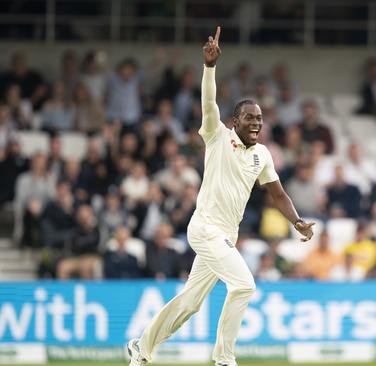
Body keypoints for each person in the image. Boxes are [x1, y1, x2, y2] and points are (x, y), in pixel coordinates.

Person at [127, 26, 314, 366]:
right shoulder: (217, 136)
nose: (256, 123)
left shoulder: (263, 155)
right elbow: (208, 102)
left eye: (259, 119)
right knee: (244, 285)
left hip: (226, 235)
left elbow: (278, 192)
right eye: (249, 118)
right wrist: (209, 68)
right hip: (205, 228)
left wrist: (297, 221)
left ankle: (142, 348)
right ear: (235, 121)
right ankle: (224, 358)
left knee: (190, 303)